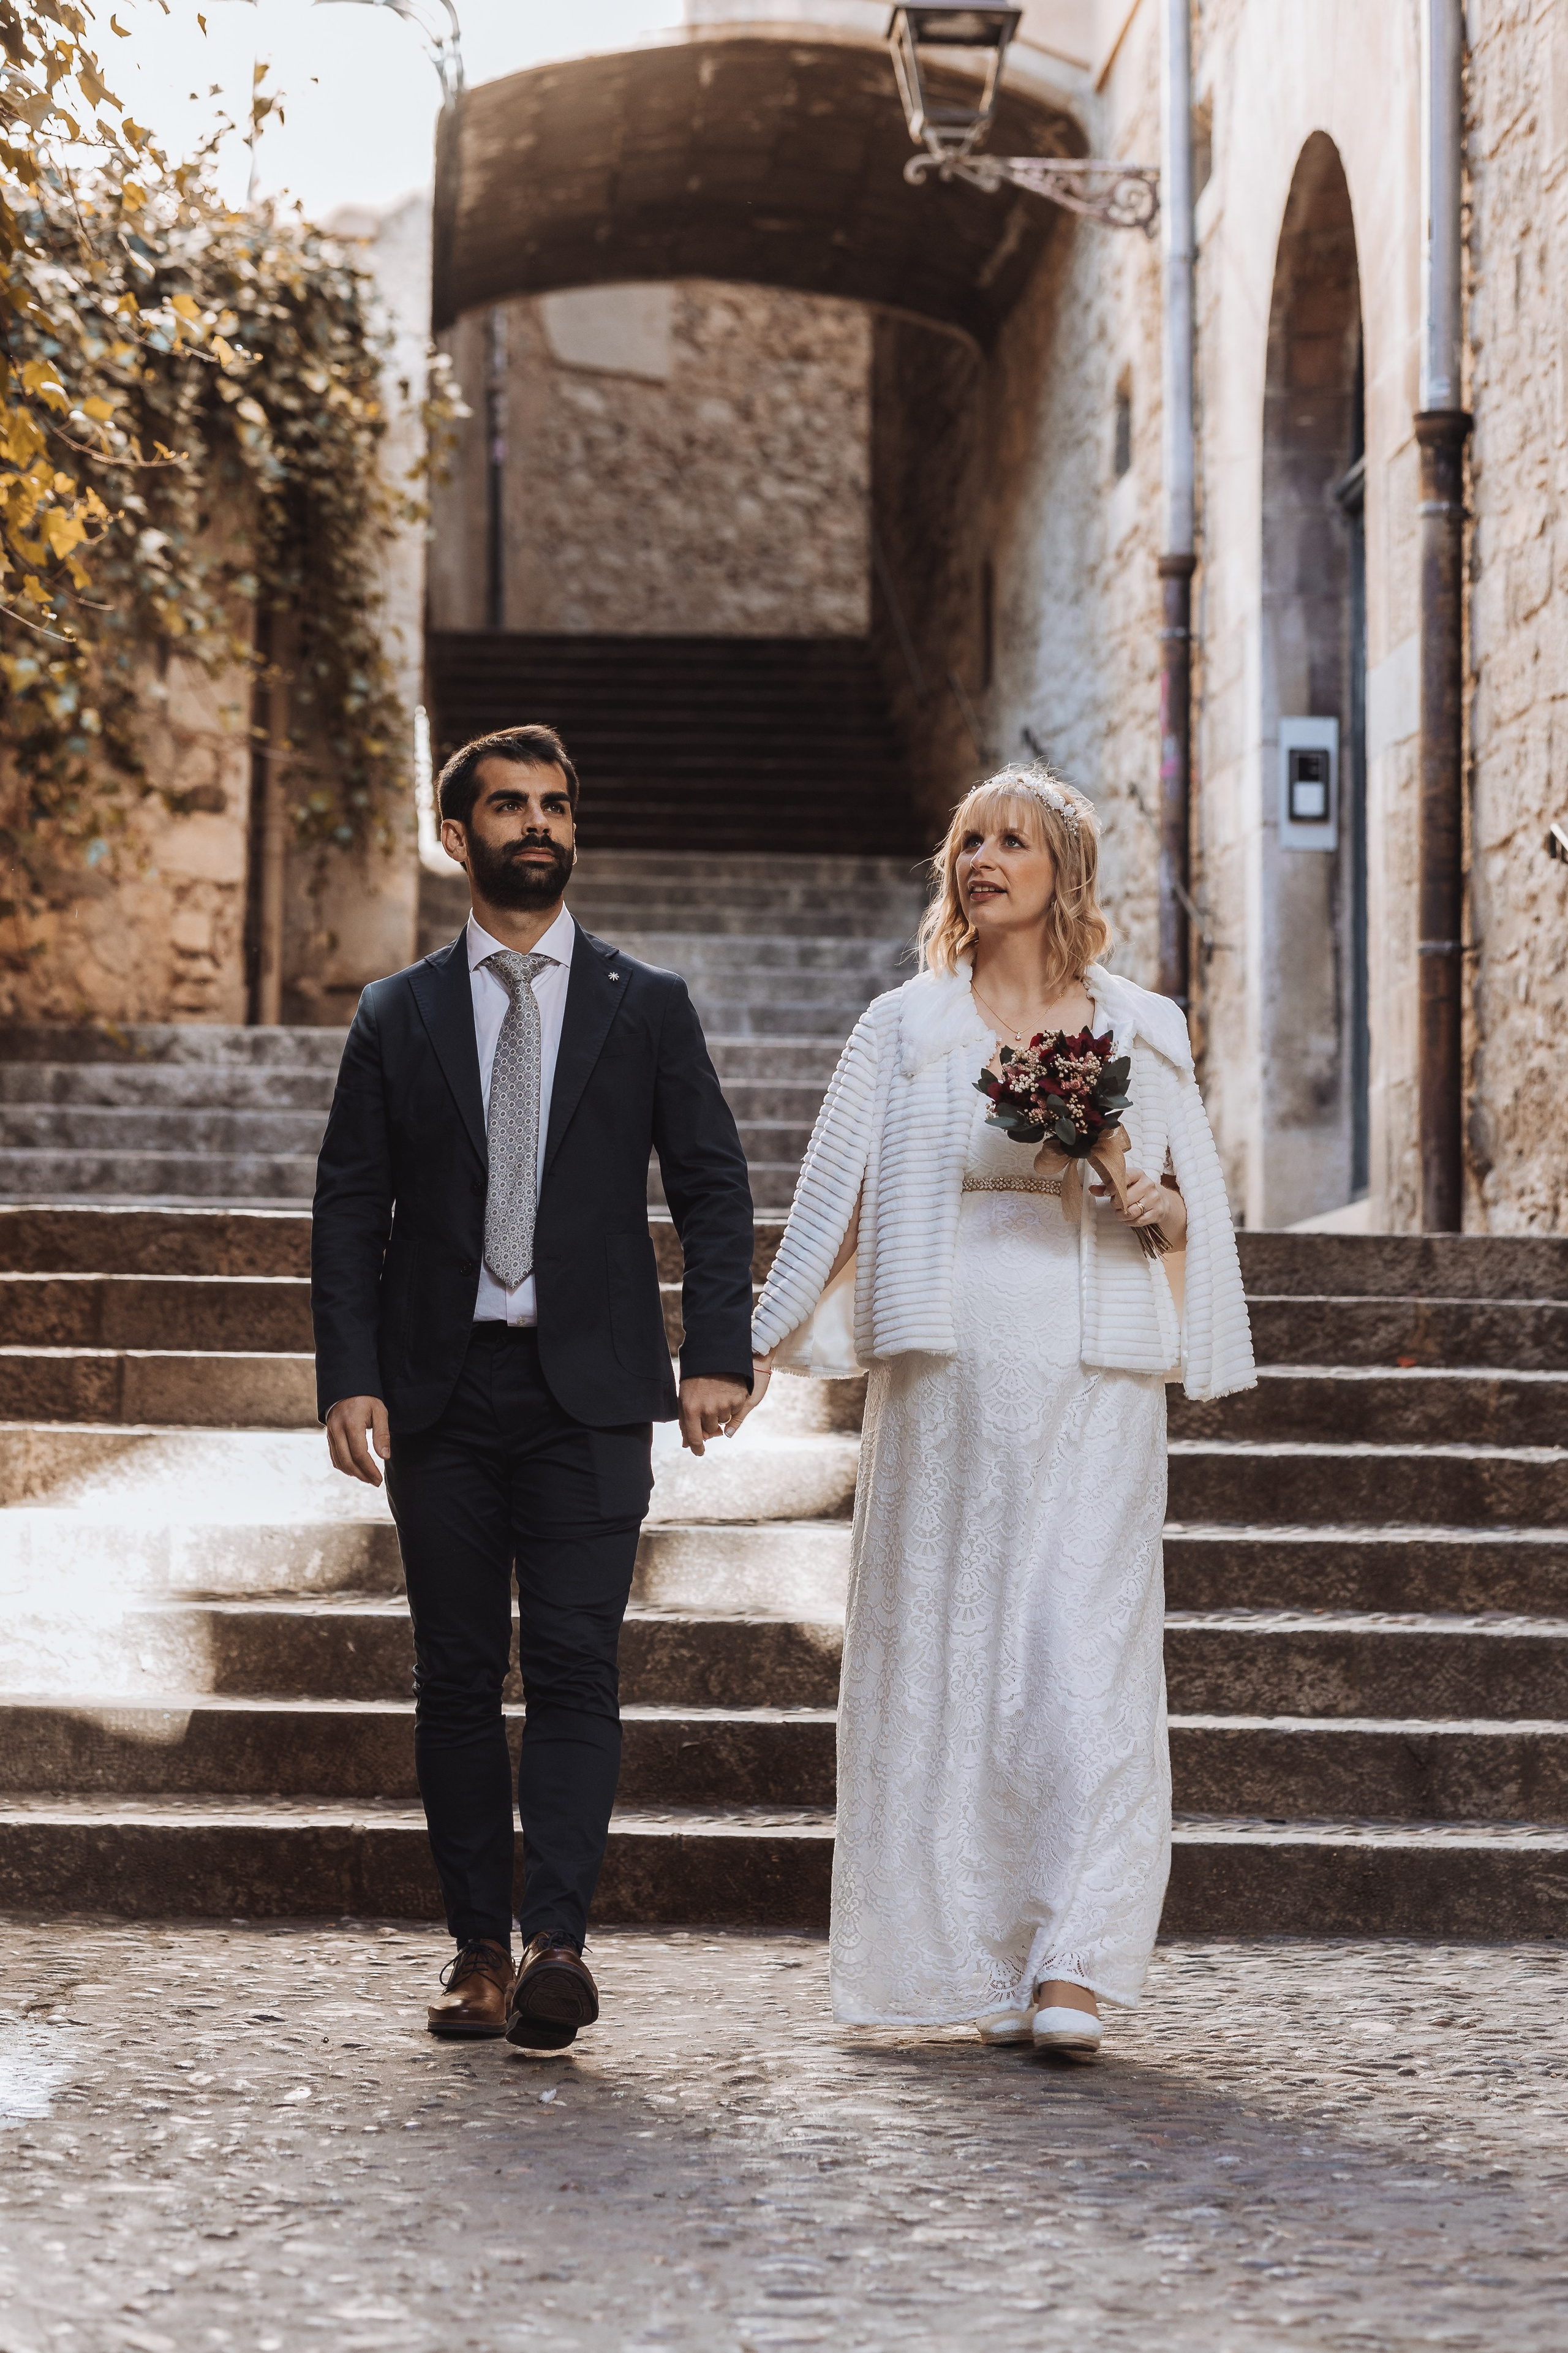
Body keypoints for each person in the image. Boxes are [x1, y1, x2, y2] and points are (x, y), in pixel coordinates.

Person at [739, 766, 1254, 2059]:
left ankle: (1074, 1960)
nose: (982, 856)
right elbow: (835, 1201)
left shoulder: (1143, 1026)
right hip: (948, 1371)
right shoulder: (902, 1027)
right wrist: (751, 1342)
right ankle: (966, 1952)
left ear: (1062, 872)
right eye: (967, 838)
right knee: (955, 1652)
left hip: (1094, 1370)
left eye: (1012, 839)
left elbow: (1191, 1205)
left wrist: (1156, 1206)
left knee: (1082, 1647)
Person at [311, 723, 755, 2050]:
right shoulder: (397, 1013)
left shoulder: (644, 1002)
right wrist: (350, 1375)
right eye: (508, 805)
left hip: (591, 1392)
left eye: (555, 804)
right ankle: (475, 1953)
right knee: (453, 1676)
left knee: (572, 1663)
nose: (537, 824)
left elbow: (713, 1182)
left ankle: (558, 1941)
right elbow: (348, 1210)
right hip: (440, 1392)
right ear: (459, 838)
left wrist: (716, 1349)